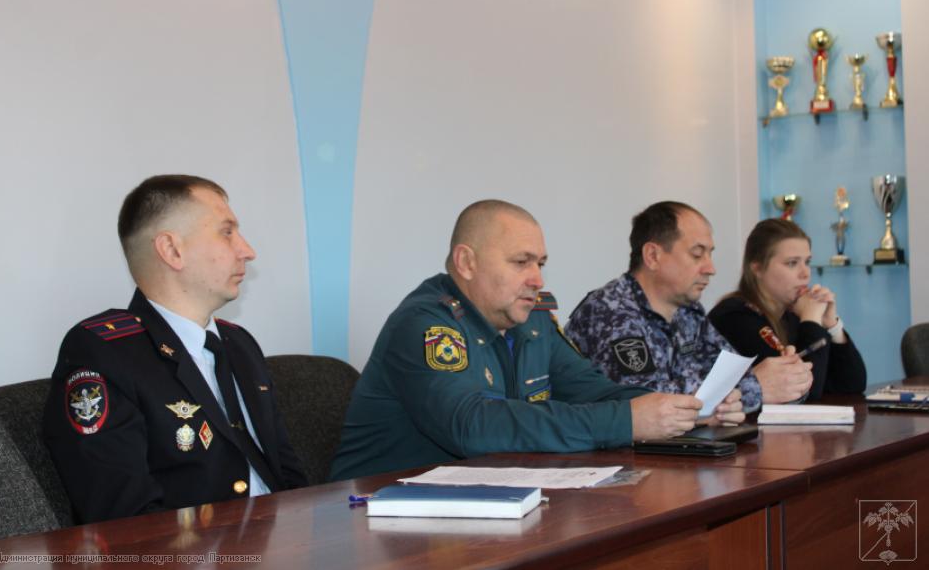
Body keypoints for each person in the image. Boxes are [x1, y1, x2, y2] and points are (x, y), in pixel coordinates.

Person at [330, 200, 743, 481]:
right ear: (466, 262)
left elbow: (593, 391)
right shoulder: (426, 325)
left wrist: (682, 411)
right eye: (521, 262)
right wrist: (626, 421)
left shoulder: (532, 320)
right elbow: (472, 426)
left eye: (541, 263)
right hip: (375, 515)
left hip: (481, 504)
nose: (537, 279)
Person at [43, 175, 307, 524]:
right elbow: (126, 520)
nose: (247, 250)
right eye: (227, 232)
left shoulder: (238, 343)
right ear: (171, 250)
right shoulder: (104, 353)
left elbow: (290, 479)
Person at [564, 201, 813, 412]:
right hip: (615, 453)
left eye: (710, 254)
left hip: (684, 447)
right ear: (653, 256)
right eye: (697, 254)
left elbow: (732, 375)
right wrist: (754, 388)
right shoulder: (611, 311)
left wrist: (788, 380)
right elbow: (648, 402)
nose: (710, 268)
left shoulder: (688, 313)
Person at [708, 218, 866, 400]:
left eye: (807, 262)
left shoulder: (792, 315)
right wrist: (811, 320)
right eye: (792, 263)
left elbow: (852, 384)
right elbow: (803, 393)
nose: (805, 273)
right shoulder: (735, 317)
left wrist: (832, 326)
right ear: (757, 269)